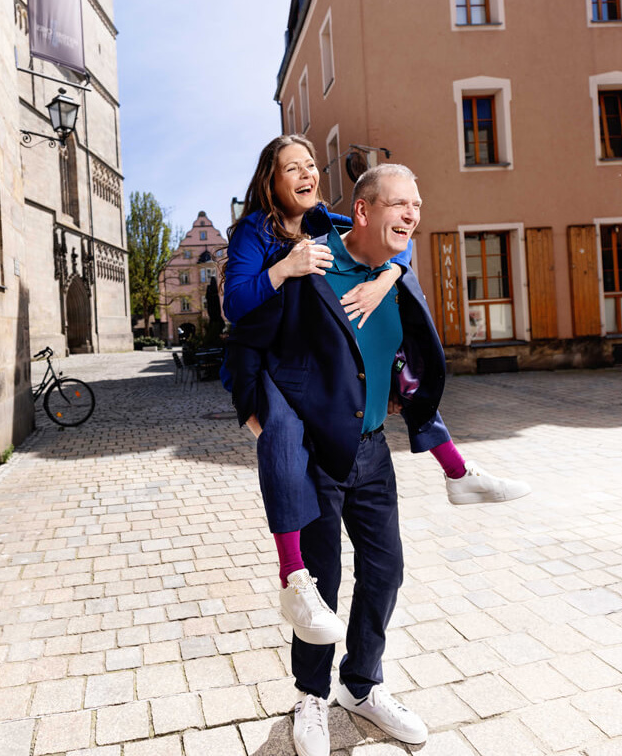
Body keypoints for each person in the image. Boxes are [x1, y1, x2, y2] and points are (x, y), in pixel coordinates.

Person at [223, 135, 530, 650]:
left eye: (310, 166)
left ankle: (456, 469)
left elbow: (391, 237)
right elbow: (236, 306)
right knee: (279, 431)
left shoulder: (326, 222)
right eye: (291, 168)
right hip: (272, 361)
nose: (306, 174)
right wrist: (286, 267)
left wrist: (390, 274)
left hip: (348, 413)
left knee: (404, 370)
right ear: (271, 181)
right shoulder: (256, 230)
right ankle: (294, 585)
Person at [227, 162, 456, 754]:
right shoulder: (311, 263)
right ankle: (311, 694)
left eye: (418, 204)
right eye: (401, 204)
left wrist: (391, 275)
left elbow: (414, 339)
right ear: (363, 210)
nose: (413, 214)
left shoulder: (397, 269)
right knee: (321, 579)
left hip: (374, 449)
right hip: (319, 451)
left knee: (386, 570)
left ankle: (361, 685)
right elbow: (248, 328)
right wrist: (252, 407)